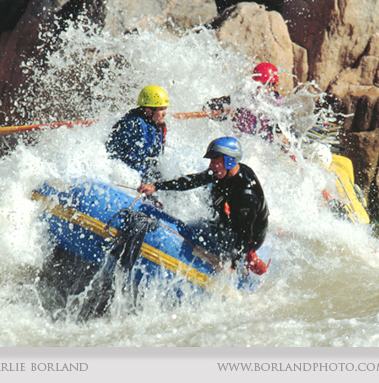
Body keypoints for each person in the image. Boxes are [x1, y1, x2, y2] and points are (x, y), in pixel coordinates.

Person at [137, 136, 270, 275]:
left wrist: (233, 264)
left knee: (221, 239)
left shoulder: (246, 194)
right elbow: (192, 181)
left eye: (214, 161)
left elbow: (245, 233)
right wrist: (156, 186)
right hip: (232, 221)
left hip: (249, 237)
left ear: (229, 161)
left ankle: (249, 258)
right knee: (199, 226)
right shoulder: (223, 171)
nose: (211, 166)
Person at [205, 62, 283, 142]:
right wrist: (224, 110)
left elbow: (281, 131)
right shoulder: (241, 97)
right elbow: (208, 106)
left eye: (273, 85)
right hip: (238, 143)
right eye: (270, 85)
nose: (272, 89)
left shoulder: (275, 103)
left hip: (261, 146)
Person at [106, 85, 169, 183]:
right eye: (161, 109)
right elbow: (111, 153)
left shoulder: (158, 126)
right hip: (127, 177)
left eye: (165, 108)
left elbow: (153, 162)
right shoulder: (132, 125)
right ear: (148, 110)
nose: (165, 113)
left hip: (145, 176)